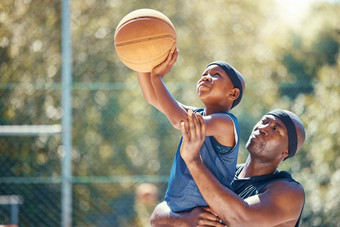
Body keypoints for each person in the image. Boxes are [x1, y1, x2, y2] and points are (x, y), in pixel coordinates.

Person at [150, 109, 306, 227]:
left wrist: (193, 160)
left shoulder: (289, 192)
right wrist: (185, 219)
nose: (263, 128)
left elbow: (241, 218)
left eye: (275, 129)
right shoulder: (223, 172)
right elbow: (157, 216)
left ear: (285, 152)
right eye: (264, 121)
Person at [136, 45, 245, 213]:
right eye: (204, 74)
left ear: (233, 93)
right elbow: (152, 96)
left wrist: (157, 77)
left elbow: (180, 122)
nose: (207, 77)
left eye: (216, 75)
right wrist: (140, 61)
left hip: (206, 217)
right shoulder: (195, 114)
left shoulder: (227, 123)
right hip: (178, 212)